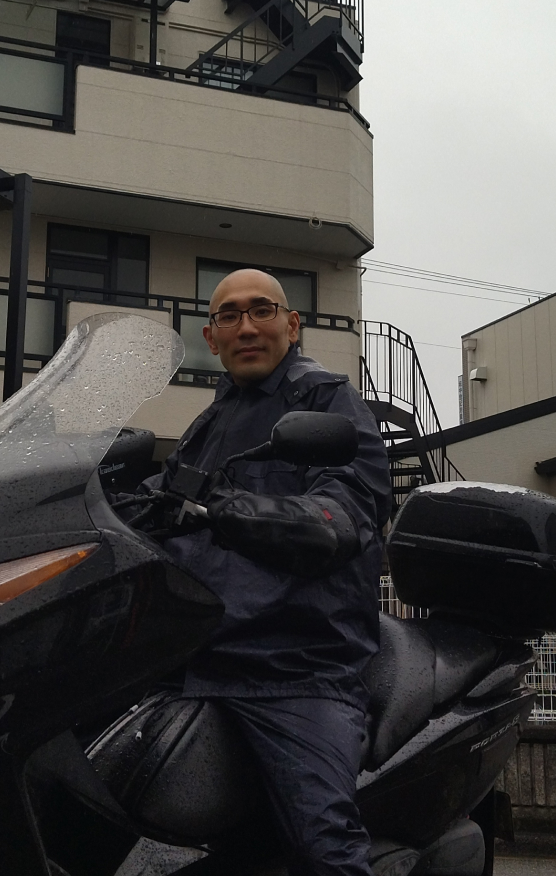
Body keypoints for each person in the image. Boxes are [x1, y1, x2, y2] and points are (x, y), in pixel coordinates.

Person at [141, 268, 393, 876]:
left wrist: (234, 509)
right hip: (195, 654)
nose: (247, 327)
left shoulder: (327, 402)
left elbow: (344, 513)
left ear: (292, 324)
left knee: (323, 846)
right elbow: (164, 497)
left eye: (262, 310)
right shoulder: (212, 421)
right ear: (211, 337)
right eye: (229, 315)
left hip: (293, 664)